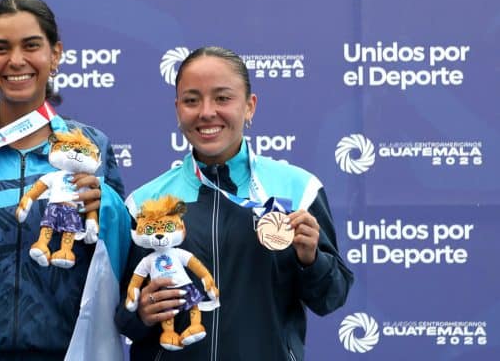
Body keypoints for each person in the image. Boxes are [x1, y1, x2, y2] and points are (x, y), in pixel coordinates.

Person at [0, 0, 129, 360]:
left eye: (31, 46)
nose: (16, 60)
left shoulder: (90, 146)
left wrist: (107, 206)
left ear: (55, 55)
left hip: (68, 351)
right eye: (0, 48)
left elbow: (117, 266)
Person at [116, 46, 353, 360]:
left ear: (250, 106)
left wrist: (311, 260)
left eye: (222, 98)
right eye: (191, 100)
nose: (206, 112)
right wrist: (140, 314)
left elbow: (330, 298)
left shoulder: (298, 189)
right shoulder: (146, 203)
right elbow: (121, 316)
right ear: (177, 110)